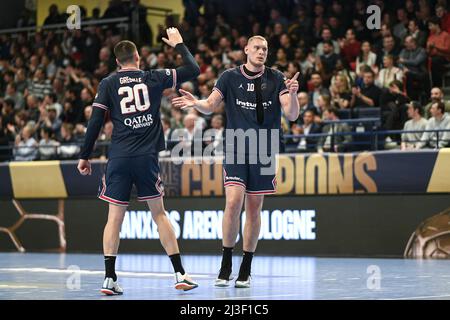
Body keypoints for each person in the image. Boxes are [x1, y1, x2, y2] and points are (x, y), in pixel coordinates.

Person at [77, 28, 200, 295]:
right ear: (137, 58)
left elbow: (95, 122)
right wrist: (179, 45)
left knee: (114, 219)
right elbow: (193, 68)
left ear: (117, 62)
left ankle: (109, 278)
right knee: (159, 214)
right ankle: (180, 273)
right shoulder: (153, 77)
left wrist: (85, 155)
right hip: (146, 157)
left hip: (119, 157)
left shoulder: (108, 83)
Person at [172, 35, 300, 288]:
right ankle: (226, 262)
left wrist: (294, 95)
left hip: (264, 149)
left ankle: (246, 267)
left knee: (254, 208)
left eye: (265, 48)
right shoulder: (229, 77)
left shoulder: (276, 78)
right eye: (257, 48)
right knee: (233, 203)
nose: (262, 52)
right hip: (236, 148)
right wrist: (195, 103)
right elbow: (211, 105)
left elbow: (292, 114)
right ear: (246, 50)